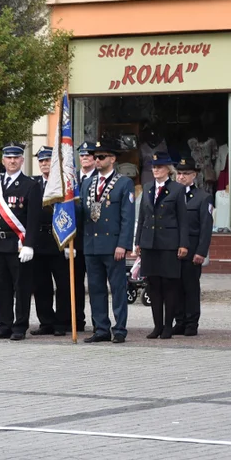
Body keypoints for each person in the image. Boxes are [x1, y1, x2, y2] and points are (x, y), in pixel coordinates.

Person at [0, 145, 40, 340]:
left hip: (18, 244)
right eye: (8, 158)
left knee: (21, 287)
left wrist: (29, 244)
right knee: (0, 286)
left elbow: (33, 218)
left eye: (16, 158)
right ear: (3, 160)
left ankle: (20, 326)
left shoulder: (30, 185)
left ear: (22, 160)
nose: (12, 161)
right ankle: (4, 324)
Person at [81, 139, 135, 344]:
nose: (97, 160)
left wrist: (123, 244)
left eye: (101, 157)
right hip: (91, 244)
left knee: (118, 288)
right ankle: (101, 327)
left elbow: (127, 217)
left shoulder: (124, 182)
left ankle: (119, 328)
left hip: (112, 245)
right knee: (95, 288)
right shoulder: (87, 182)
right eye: (95, 157)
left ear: (112, 159)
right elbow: (83, 213)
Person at [134, 153, 188, 339]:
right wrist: (138, 241)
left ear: (168, 169)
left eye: (159, 167)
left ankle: (167, 326)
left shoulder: (177, 189)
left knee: (169, 286)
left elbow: (183, 219)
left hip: (169, 243)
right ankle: (157, 326)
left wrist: (183, 244)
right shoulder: (148, 188)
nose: (155, 169)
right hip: (150, 242)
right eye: (154, 167)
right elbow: (142, 217)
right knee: (153, 285)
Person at [31, 147, 72, 336]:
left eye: (48, 161)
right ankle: (46, 321)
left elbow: (74, 213)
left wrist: (71, 241)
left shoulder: (64, 185)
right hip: (39, 241)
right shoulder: (34, 184)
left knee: (63, 285)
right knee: (41, 285)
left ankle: (62, 323)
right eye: (41, 161)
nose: (44, 164)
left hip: (59, 240)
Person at [172, 157, 212, 336]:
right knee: (175, 287)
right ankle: (179, 321)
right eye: (178, 173)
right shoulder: (171, 195)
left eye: (185, 174)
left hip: (192, 249)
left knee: (190, 287)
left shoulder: (203, 197)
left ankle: (191, 323)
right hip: (173, 249)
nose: (181, 177)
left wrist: (201, 251)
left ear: (194, 175)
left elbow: (206, 227)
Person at [74, 142, 98, 332]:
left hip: (94, 239)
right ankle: (77, 320)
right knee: (74, 284)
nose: (85, 158)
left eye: (89, 155)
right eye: (82, 155)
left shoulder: (100, 179)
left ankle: (98, 322)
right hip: (74, 241)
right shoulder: (71, 179)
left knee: (96, 284)